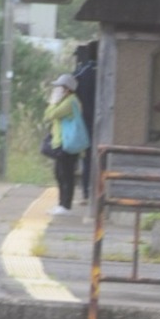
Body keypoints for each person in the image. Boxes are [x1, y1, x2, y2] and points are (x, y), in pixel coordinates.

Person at [44, 72, 86, 215]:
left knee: (65, 174)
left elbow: (50, 115)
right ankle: (62, 204)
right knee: (60, 174)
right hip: (62, 142)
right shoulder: (68, 100)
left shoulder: (69, 102)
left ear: (67, 89)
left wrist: (53, 103)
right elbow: (48, 116)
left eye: (59, 87)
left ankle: (65, 205)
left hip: (67, 143)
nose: (57, 90)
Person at [73, 41, 98, 201]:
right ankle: (98, 190)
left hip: (86, 120)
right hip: (106, 120)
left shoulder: (83, 72)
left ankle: (87, 192)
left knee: (88, 156)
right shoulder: (108, 68)